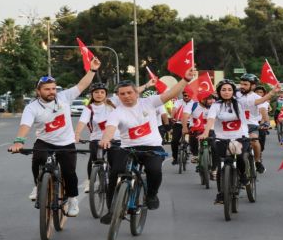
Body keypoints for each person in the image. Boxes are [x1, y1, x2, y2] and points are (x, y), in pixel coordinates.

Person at [9, 57, 102, 217]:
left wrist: (92, 70)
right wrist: (19, 141)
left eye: (53, 88)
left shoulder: (64, 97)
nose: (51, 92)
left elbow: (82, 85)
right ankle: (38, 186)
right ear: (38, 91)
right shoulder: (32, 107)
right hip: (45, 141)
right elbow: (25, 125)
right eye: (47, 89)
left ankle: (72, 199)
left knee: (69, 172)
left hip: (66, 143)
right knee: (37, 159)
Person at [99, 69, 196, 222]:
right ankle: (111, 210)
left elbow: (170, 94)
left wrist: (185, 79)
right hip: (127, 149)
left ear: (136, 93)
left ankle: (151, 194)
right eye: (122, 94)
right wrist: (106, 139)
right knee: (114, 173)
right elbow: (110, 128)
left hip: (152, 148)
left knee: (154, 170)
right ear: (118, 96)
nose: (126, 96)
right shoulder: (117, 112)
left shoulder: (149, 102)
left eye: (129, 93)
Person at [198, 79, 277, 204]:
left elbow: (259, 101)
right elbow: (211, 120)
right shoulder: (216, 105)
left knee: (240, 156)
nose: (226, 92)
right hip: (221, 138)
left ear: (233, 92)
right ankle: (221, 194)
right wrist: (205, 133)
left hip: (240, 136)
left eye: (229, 90)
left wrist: (272, 92)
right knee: (221, 166)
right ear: (219, 92)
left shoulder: (240, 103)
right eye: (223, 90)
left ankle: (243, 176)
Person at [74, 82, 120, 193]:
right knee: (94, 159)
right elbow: (82, 121)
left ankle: (113, 181)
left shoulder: (113, 103)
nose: (99, 94)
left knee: (115, 163)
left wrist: (147, 85)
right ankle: (90, 181)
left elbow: (132, 91)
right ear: (91, 94)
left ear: (106, 94)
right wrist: (77, 134)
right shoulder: (89, 108)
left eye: (102, 92)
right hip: (97, 138)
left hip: (116, 138)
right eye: (96, 92)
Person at [237, 74, 273, 174]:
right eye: (241, 84)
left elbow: (263, 111)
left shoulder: (257, 98)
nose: (242, 86)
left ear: (252, 86)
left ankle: (257, 161)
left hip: (251, 125)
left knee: (254, 141)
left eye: (245, 84)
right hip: (236, 126)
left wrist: (266, 122)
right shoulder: (235, 94)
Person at [182, 93, 217, 178]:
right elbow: (185, 116)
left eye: (212, 99)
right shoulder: (192, 105)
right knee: (192, 137)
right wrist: (185, 127)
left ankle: (214, 169)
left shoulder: (214, 106)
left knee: (215, 148)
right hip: (196, 128)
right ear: (202, 100)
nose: (211, 101)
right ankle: (195, 154)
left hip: (211, 129)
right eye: (209, 99)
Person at [170, 92, 195, 165]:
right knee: (174, 141)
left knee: (193, 139)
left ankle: (191, 152)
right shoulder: (178, 102)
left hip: (190, 124)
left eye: (188, 95)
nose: (186, 97)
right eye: (185, 95)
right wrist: (172, 116)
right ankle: (175, 158)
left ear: (191, 95)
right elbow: (174, 109)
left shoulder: (194, 103)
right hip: (178, 123)